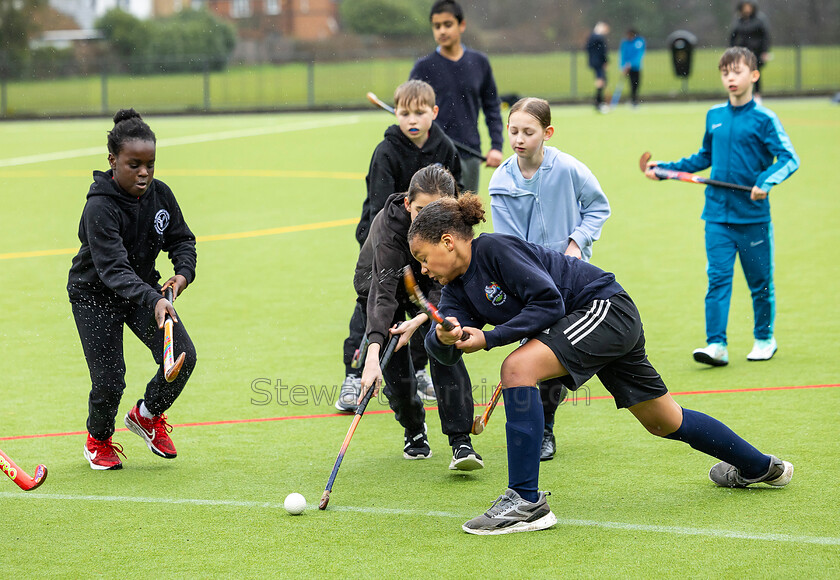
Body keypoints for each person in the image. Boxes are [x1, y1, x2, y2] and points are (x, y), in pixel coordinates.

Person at [408, 194, 794, 535]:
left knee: (516, 368)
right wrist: (443, 338)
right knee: (663, 420)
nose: (424, 269)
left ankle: (525, 503)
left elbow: (548, 303)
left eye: (425, 258)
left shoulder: (494, 250)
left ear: (448, 241)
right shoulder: (455, 290)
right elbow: (443, 349)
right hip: (588, 324)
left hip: (604, 309)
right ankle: (761, 467)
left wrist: (490, 337)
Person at [645, 47, 798, 367]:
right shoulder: (714, 116)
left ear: (753, 76)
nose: (731, 77)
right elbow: (703, 157)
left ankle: (764, 338)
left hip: (753, 217)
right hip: (716, 215)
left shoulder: (765, 119)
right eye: (725, 72)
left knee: (760, 282)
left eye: (737, 71)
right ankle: (716, 344)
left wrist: (766, 181)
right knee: (717, 280)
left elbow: (789, 158)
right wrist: (667, 169)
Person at [68, 108, 197, 470]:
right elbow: (112, 270)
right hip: (95, 295)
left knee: (183, 357)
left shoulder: (161, 195)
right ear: (113, 160)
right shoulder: (99, 207)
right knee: (110, 380)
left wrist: (182, 274)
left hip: (142, 292)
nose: (144, 173)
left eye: (150, 164)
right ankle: (98, 440)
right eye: (134, 164)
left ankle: (146, 414)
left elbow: (182, 240)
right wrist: (154, 297)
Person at [488, 97, 610, 461]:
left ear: (547, 133)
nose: (519, 139)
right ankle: (536, 426)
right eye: (513, 131)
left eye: (528, 131)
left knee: (556, 350)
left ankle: (546, 427)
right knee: (532, 352)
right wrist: (530, 277)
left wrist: (576, 243)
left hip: (573, 278)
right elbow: (509, 244)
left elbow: (598, 208)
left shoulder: (570, 169)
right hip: (527, 283)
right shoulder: (500, 182)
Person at [338, 79, 463, 412]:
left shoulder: (446, 148)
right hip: (386, 239)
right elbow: (381, 206)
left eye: (419, 112)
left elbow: (456, 198)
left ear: (433, 113)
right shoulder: (387, 151)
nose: (412, 119)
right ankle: (354, 373)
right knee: (374, 303)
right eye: (404, 112)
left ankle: (419, 370)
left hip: (431, 246)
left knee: (426, 309)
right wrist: (385, 247)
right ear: (396, 113)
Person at [355, 165, 482, 470]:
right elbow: (382, 293)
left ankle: (461, 441)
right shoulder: (388, 229)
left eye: (438, 210)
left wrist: (423, 320)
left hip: (432, 283)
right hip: (380, 287)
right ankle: (413, 429)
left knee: (444, 343)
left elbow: (451, 285)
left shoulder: (454, 231)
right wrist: (373, 352)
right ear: (407, 204)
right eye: (421, 210)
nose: (428, 219)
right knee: (394, 367)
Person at [409, 0, 504, 194]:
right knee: (435, 216)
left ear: (462, 25)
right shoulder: (423, 67)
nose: (442, 31)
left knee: (465, 216)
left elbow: (492, 106)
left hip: (469, 153)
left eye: (448, 24)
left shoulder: (479, 63)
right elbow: (410, 109)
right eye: (437, 26)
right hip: (432, 154)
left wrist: (496, 146)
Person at [730, 1, 771, 101]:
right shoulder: (739, 21)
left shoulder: (759, 20)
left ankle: (757, 95)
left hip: (756, 51)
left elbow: (765, 36)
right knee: (741, 73)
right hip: (742, 52)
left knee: (755, 73)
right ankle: (742, 94)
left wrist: (765, 51)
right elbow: (733, 36)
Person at [586, 22, 610, 113]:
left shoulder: (591, 37)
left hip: (594, 62)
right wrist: (605, 61)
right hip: (599, 63)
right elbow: (603, 51)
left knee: (600, 80)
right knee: (601, 81)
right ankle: (599, 103)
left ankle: (599, 102)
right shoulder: (599, 38)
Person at [619, 28, 646, 107]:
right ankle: (632, 100)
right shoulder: (625, 43)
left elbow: (639, 55)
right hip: (626, 68)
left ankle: (634, 100)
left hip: (636, 67)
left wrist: (631, 64)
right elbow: (622, 55)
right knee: (631, 84)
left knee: (636, 83)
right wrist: (623, 66)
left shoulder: (639, 42)